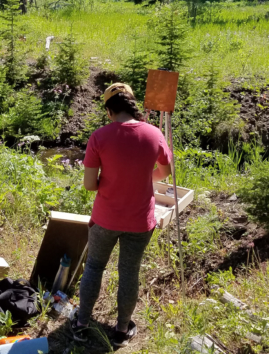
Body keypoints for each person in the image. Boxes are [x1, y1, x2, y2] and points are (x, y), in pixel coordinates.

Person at [70, 83, 172, 347]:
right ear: (132, 103)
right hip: (140, 221)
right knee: (129, 272)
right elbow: (165, 171)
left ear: (109, 110)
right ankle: (121, 331)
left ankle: (81, 324)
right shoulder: (154, 133)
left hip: (105, 218)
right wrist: (142, 178)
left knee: (94, 267)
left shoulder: (99, 137)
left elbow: (90, 184)